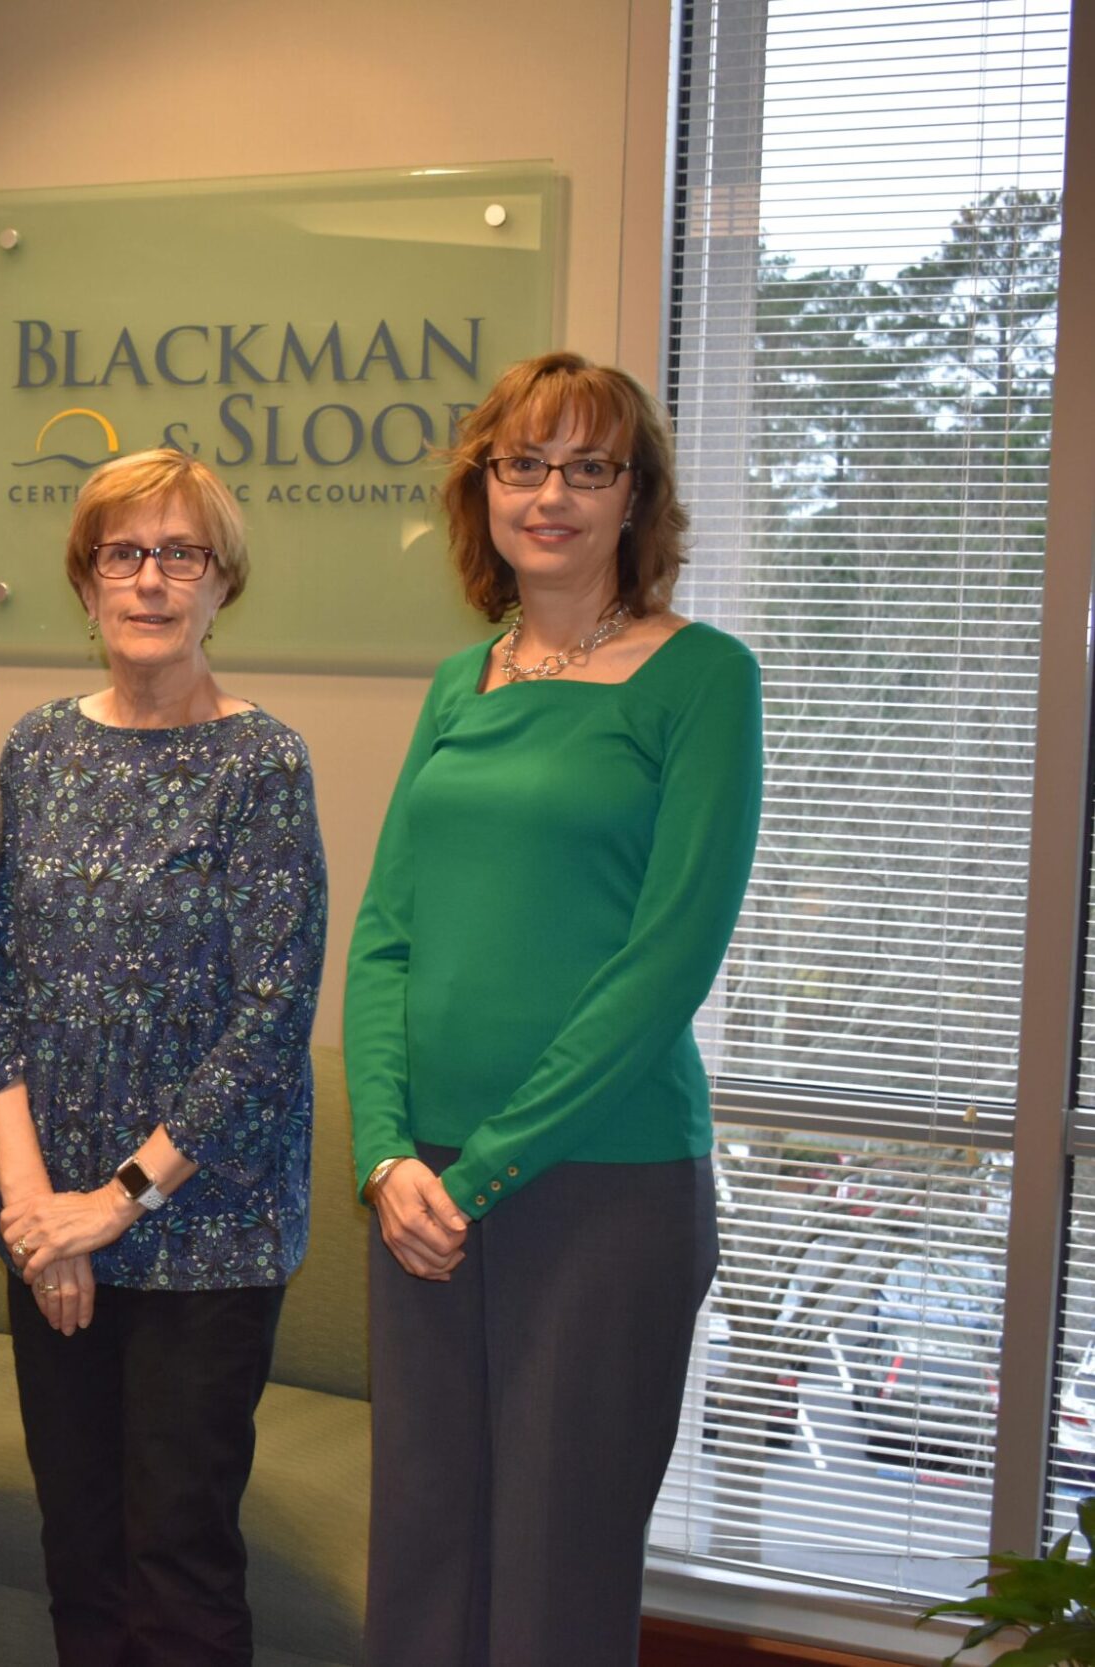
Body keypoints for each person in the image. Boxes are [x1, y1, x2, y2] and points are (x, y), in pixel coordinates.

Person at [346, 351, 762, 1666]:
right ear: (483, 487)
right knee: (421, 1558)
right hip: (421, 1189)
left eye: (589, 468)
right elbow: (386, 931)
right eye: (522, 464)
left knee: (552, 1580)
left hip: (600, 1186)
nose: (551, 495)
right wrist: (384, 1152)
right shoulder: (460, 680)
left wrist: (485, 1171)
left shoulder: (703, 677)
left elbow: (667, 960)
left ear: (635, 496)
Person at [0, 447, 327, 1667]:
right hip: (50, 1230)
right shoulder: (38, 749)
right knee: (80, 1556)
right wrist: (34, 1211)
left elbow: (270, 1016)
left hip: (204, 1233)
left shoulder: (261, 763)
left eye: (181, 553)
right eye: (123, 554)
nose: (151, 579)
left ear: (222, 583)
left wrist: (114, 1202)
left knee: (177, 1565)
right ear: (85, 580)